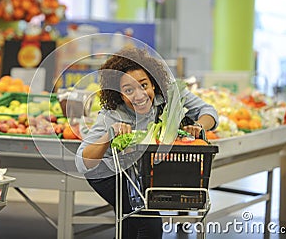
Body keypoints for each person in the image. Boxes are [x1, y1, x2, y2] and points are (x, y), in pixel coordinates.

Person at [75, 47, 218, 238]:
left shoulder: (170, 95)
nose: (139, 95)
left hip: (139, 172)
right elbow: (83, 162)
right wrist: (110, 135)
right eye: (128, 90)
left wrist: (199, 126)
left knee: (131, 222)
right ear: (119, 94)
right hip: (107, 174)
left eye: (144, 85)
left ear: (153, 84)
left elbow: (209, 112)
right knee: (147, 220)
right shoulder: (113, 114)